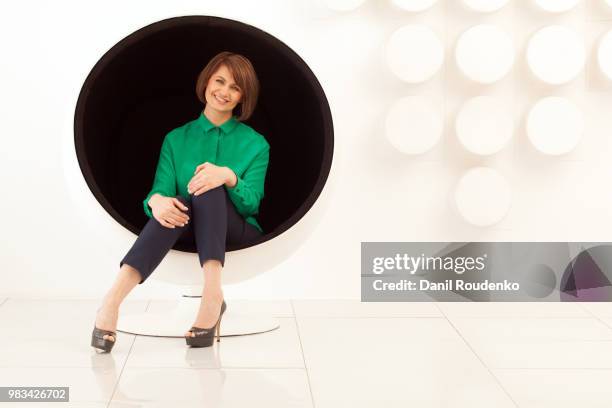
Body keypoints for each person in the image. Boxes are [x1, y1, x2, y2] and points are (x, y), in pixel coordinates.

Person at [90, 51, 270, 352]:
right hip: (186, 222)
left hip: (236, 228)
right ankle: (112, 300)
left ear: (242, 96)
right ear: (207, 82)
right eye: (220, 81)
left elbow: (251, 205)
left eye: (235, 87)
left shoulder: (255, 143)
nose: (224, 92)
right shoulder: (176, 139)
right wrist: (156, 202)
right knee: (176, 203)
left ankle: (212, 294)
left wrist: (228, 177)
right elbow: (159, 191)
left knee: (209, 184)